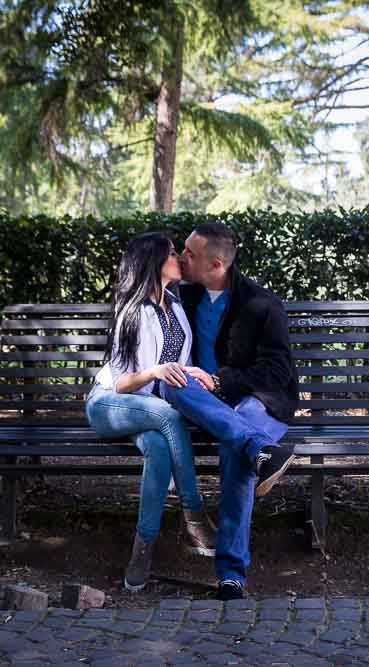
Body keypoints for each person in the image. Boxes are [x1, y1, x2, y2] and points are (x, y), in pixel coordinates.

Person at [159, 222, 299, 600]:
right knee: (168, 380)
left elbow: (277, 371)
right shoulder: (180, 295)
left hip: (258, 399)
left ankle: (231, 573)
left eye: (190, 253)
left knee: (233, 451)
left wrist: (220, 382)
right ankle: (261, 449)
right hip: (202, 401)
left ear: (216, 264)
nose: (181, 256)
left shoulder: (261, 304)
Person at [85, 232, 216, 592]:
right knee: (167, 417)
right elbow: (121, 382)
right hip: (109, 404)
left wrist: (194, 374)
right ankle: (194, 514)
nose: (179, 259)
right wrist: (155, 372)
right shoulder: (132, 310)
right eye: (173, 254)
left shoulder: (175, 308)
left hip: (149, 410)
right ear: (154, 262)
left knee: (158, 449)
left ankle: (141, 550)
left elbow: (177, 366)